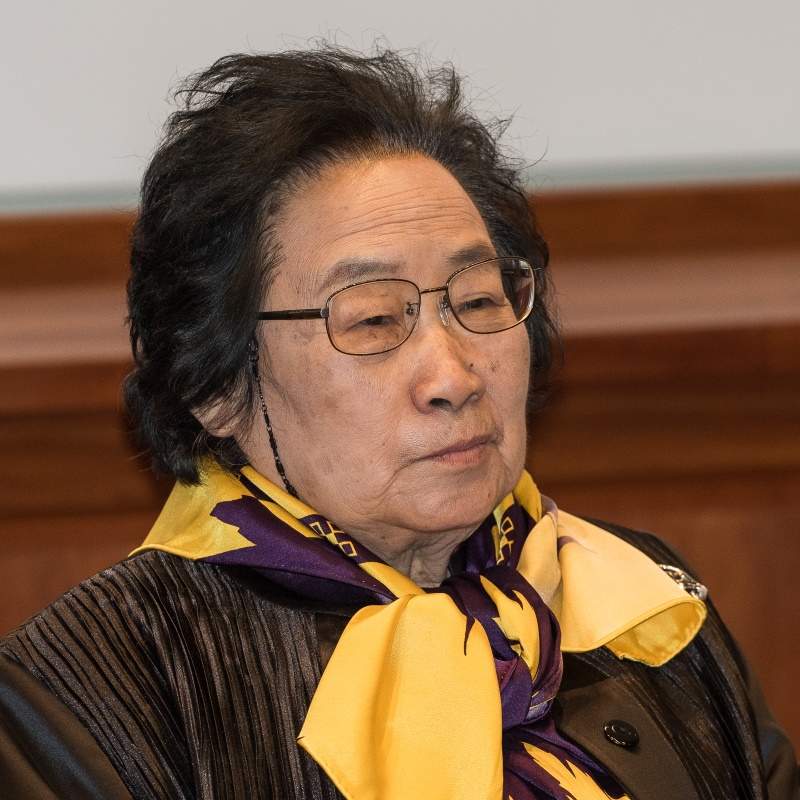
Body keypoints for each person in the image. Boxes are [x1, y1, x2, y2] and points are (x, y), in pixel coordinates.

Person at [0, 46, 796, 800]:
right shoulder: (94, 694)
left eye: (478, 300)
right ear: (215, 385)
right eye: (375, 319)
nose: (454, 376)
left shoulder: (637, 599)